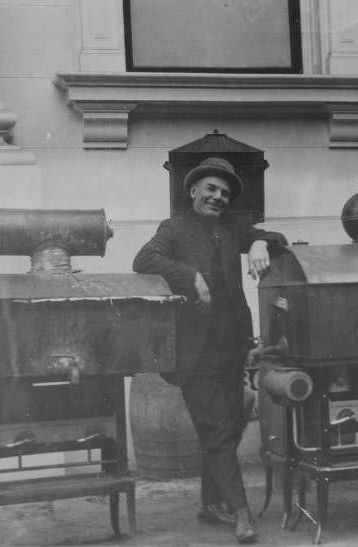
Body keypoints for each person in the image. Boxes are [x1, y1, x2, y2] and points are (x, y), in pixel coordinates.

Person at [133, 156, 287, 544]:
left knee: (230, 426)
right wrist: (190, 276)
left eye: (224, 192)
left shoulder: (234, 227)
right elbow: (143, 259)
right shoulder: (174, 228)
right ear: (193, 191)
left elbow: (278, 239)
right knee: (218, 432)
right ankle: (240, 512)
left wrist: (256, 242)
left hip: (232, 346)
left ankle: (209, 503)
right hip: (194, 351)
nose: (217, 197)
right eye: (211, 189)